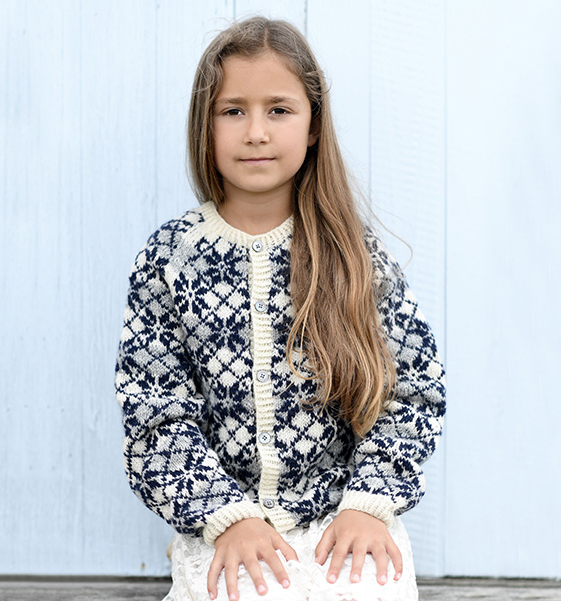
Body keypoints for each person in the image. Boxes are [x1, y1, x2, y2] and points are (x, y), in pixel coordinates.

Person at [115, 16, 445, 601]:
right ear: (204, 124)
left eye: (279, 110)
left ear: (313, 125)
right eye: (232, 110)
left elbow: (412, 390)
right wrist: (223, 515)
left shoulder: (355, 256)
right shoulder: (169, 259)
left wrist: (369, 503)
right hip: (226, 520)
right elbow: (154, 411)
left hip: (344, 518)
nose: (256, 132)